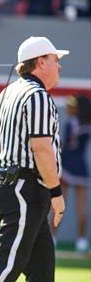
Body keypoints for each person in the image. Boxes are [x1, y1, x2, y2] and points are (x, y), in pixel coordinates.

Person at [0, 36, 67, 282]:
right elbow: (41, 148)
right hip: (25, 188)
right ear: (41, 62)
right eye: (56, 60)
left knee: (41, 267)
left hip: (7, 182)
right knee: (9, 263)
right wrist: (56, 193)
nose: (59, 67)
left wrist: (1, 177)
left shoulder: (7, 92)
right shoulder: (37, 96)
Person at [60, 95, 90, 252]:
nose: (68, 108)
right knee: (82, 208)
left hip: (67, 166)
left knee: (59, 205)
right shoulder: (88, 123)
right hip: (82, 168)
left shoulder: (71, 122)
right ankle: (82, 240)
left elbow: (65, 146)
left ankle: (51, 236)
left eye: (71, 105)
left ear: (77, 107)